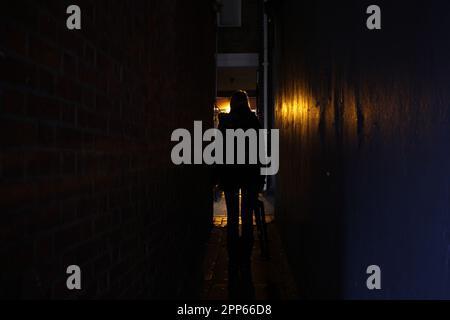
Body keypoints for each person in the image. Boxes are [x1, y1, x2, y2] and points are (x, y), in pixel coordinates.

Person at [216, 90, 265, 296]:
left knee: (232, 214)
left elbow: (218, 152)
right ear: (246, 103)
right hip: (250, 176)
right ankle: (245, 255)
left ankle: (233, 255)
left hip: (230, 176)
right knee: (247, 216)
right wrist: (261, 177)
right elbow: (261, 152)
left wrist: (218, 177)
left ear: (233, 104)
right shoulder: (254, 122)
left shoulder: (225, 123)